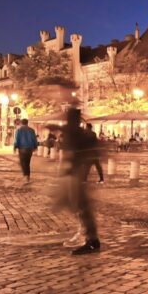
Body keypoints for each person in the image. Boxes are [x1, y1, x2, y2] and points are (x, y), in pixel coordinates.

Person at [61, 107, 101, 255]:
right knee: (82, 207)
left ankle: (90, 239)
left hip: (76, 174)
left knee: (81, 207)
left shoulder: (73, 134)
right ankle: (90, 238)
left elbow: (69, 154)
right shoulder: (82, 133)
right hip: (80, 172)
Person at [13, 118, 39, 184]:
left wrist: (15, 147)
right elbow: (34, 139)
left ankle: (26, 176)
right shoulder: (32, 130)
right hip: (30, 149)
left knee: (23, 163)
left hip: (22, 148)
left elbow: (17, 139)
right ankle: (28, 177)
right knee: (27, 163)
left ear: (21, 123)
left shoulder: (19, 130)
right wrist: (35, 147)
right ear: (27, 123)